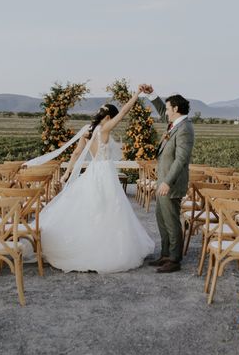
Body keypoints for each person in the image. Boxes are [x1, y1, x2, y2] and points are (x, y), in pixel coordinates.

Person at [36, 88, 154, 273]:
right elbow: (123, 112)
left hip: (92, 172)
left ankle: (88, 242)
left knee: (91, 208)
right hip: (105, 173)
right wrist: (137, 94)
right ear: (108, 117)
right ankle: (104, 249)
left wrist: (67, 174)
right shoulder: (104, 129)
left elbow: (76, 154)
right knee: (110, 208)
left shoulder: (87, 131)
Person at [140, 84, 195, 273]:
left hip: (170, 183)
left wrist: (167, 181)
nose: (166, 112)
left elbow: (181, 159)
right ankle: (164, 254)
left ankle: (174, 259)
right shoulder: (175, 123)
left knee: (171, 221)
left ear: (176, 109)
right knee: (161, 219)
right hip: (163, 180)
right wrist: (151, 95)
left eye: (169, 108)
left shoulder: (185, 129)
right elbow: (162, 110)